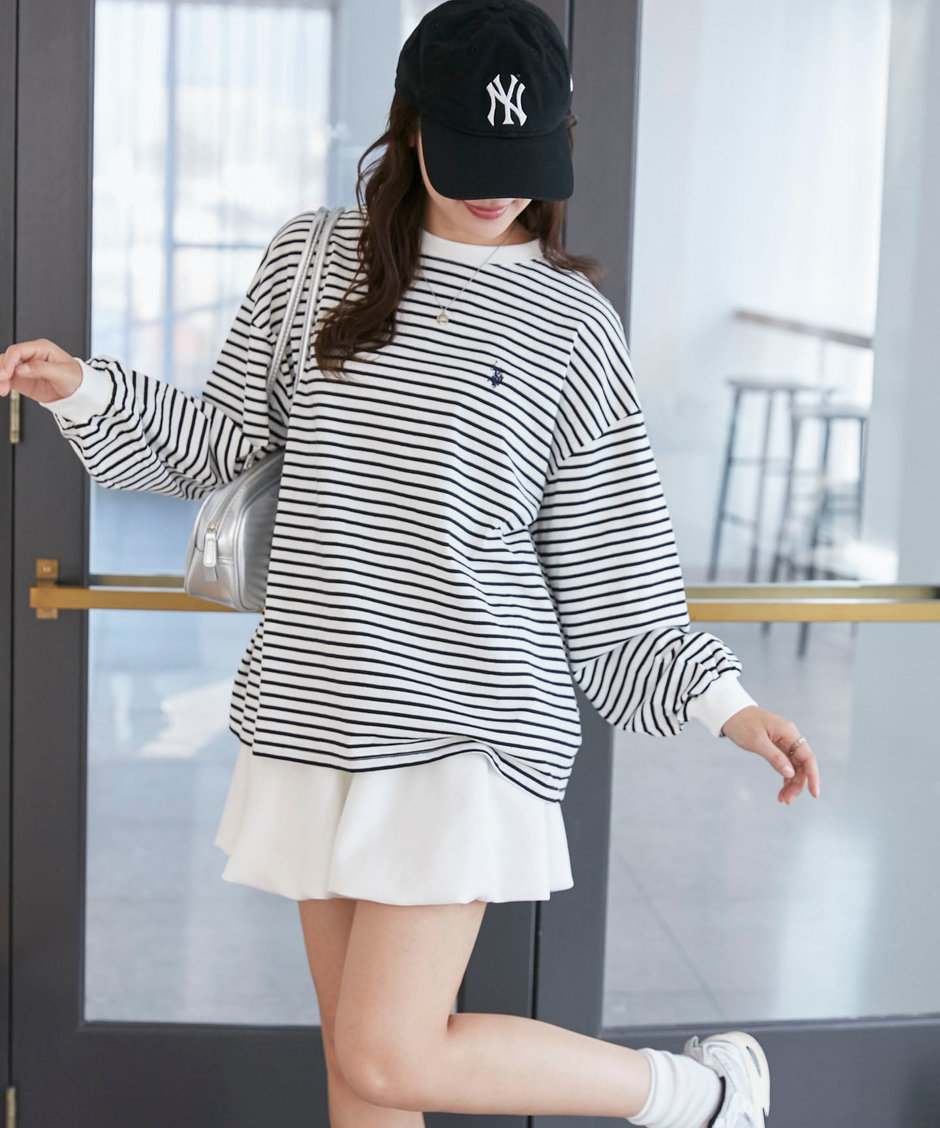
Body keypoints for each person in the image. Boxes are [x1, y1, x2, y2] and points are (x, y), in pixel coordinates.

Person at [0, 0, 821, 1124]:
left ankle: (701, 1095)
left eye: (521, 164)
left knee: (387, 1055)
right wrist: (84, 390)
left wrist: (728, 705)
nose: (497, 192)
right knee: (362, 1076)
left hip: (469, 721)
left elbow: (616, 571)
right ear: (411, 124)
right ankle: (701, 1096)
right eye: (471, 156)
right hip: (318, 701)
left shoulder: (573, 325)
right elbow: (221, 446)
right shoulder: (312, 261)